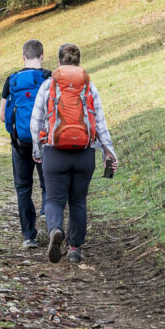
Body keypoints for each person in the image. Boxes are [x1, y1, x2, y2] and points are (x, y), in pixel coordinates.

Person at [30, 43, 118, 265]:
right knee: (78, 200)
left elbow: (36, 121)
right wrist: (108, 152)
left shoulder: (49, 85)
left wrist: (38, 148)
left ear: (59, 61)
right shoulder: (89, 86)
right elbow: (100, 123)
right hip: (84, 153)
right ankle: (75, 248)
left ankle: (55, 230)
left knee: (54, 199)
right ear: (79, 62)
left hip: (55, 152)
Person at [1, 39, 50, 248]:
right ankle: (50, 216)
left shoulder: (11, 80)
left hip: (21, 141)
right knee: (48, 183)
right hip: (46, 141)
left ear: (23, 57)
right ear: (42, 56)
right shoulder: (49, 78)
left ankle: (29, 236)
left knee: (23, 188)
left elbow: (3, 116)